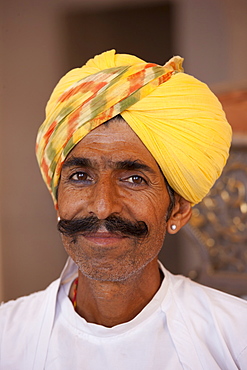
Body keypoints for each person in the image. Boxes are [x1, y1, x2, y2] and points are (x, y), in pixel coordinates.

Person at [0, 50, 246, 369]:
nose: (102, 206)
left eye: (133, 179)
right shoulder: (8, 337)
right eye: (80, 176)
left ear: (179, 210)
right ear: (57, 199)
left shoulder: (235, 338)